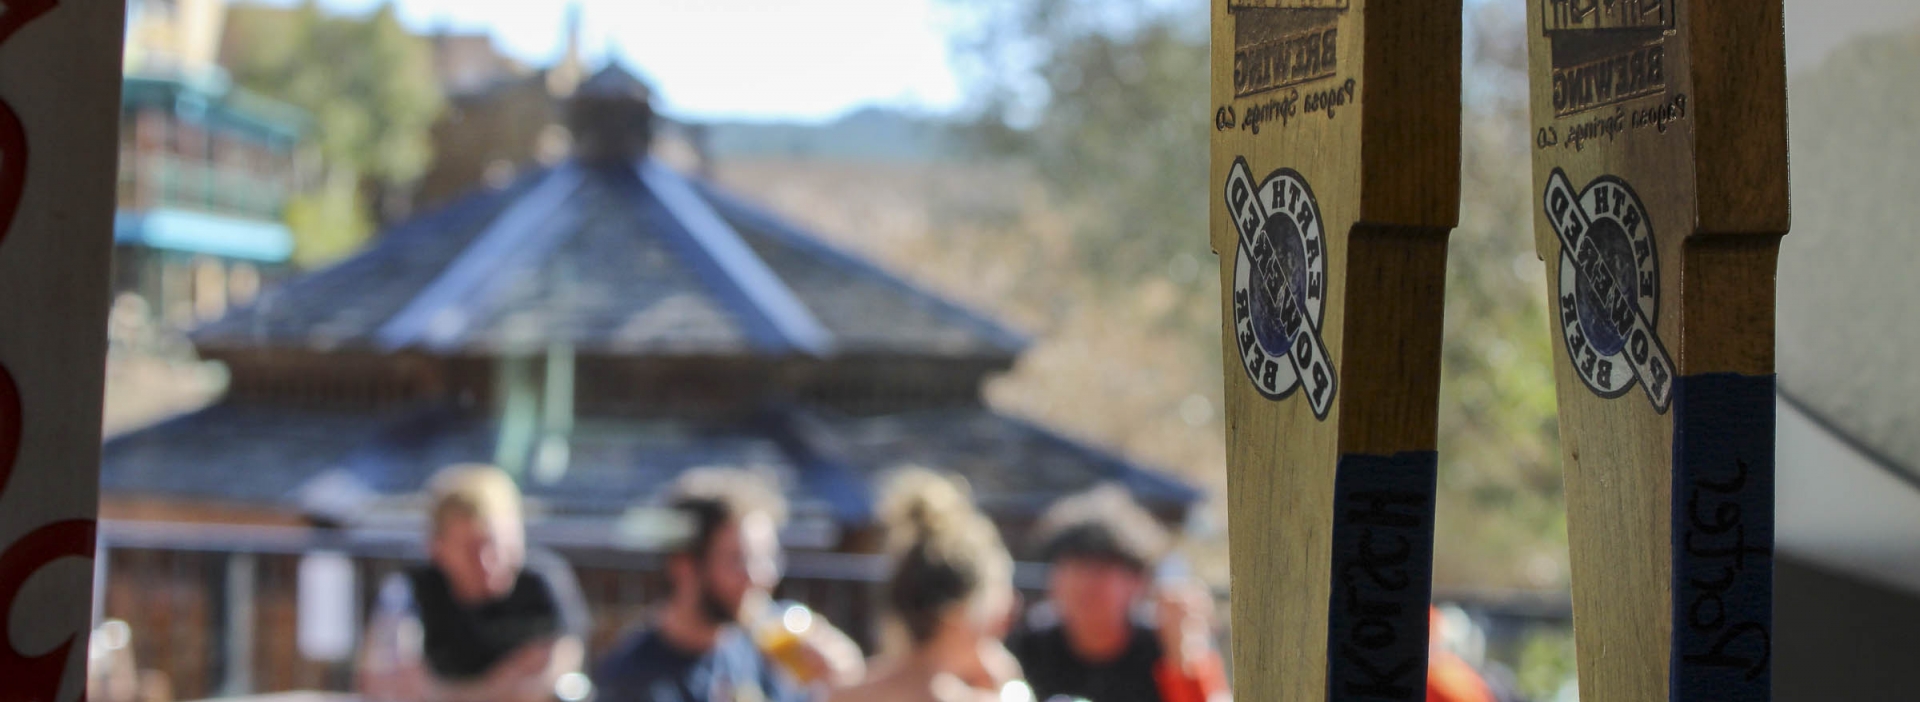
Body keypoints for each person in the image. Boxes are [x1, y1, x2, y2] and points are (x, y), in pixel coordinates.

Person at [592, 467, 865, 701]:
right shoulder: (630, 680)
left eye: (767, 558)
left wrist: (843, 680)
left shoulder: (767, 644)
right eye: (739, 560)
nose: (760, 576)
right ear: (684, 567)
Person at [359, 464, 590, 702]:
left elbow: (553, 674)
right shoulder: (411, 590)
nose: (486, 561)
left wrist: (445, 692)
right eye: (470, 549)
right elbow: (384, 678)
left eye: (496, 545)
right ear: (437, 548)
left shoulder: (540, 582)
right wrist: (502, 684)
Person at [1007, 486, 1229, 702]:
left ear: (1138, 582)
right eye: (1075, 568)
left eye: (1100, 570)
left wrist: (1183, 656)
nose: (1085, 583)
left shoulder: (1163, 647)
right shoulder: (1027, 647)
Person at [829, 468, 1029, 702]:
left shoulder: (842, 692)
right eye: (994, 613)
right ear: (957, 614)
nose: (998, 629)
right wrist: (1010, 686)